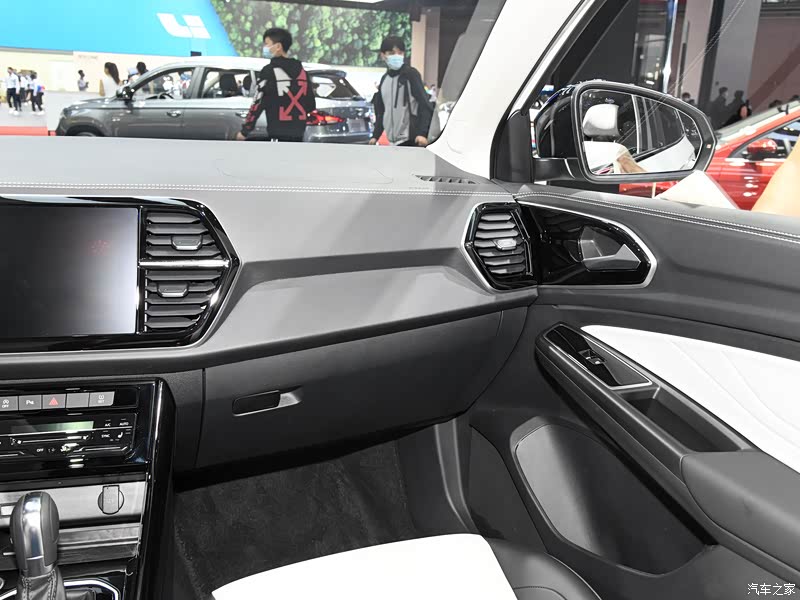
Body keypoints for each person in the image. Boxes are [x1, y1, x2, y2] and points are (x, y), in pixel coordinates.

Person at [236, 27, 316, 142]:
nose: (265, 48)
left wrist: (245, 131)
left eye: (267, 44)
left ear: (278, 46)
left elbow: (258, 102)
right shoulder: (302, 72)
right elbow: (310, 104)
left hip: (277, 132)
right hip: (299, 133)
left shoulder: (268, 71)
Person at [368, 36, 433, 147]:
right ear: (383, 55)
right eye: (391, 53)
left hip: (412, 139)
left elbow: (424, 104)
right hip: (392, 141)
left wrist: (423, 133)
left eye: (400, 53)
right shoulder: (384, 80)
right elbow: (381, 112)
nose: (396, 56)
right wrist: (375, 136)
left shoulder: (410, 75)